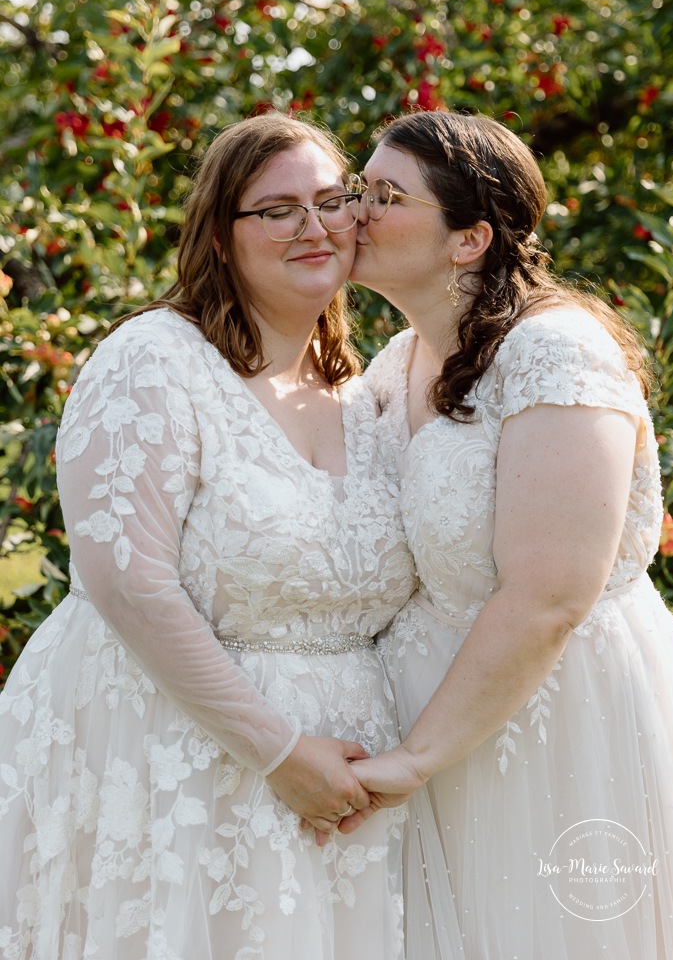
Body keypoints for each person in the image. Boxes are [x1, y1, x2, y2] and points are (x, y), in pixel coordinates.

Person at [0, 112, 416, 960]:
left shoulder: (367, 395)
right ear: (220, 238)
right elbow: (128, 584)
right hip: (174, 766)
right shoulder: (154, 362)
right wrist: (278, 752)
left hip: (347, 795)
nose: (312, 226)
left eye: (331, 200)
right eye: (275, 209)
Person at [342, 110, 673, 959]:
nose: (350, 211)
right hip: (423, 720)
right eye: (359, 187)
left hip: (555, 726)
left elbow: (548, 596)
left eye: (384, 196)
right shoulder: (396, 361)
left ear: (468, 238)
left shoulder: (557, 354)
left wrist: (412, 760)